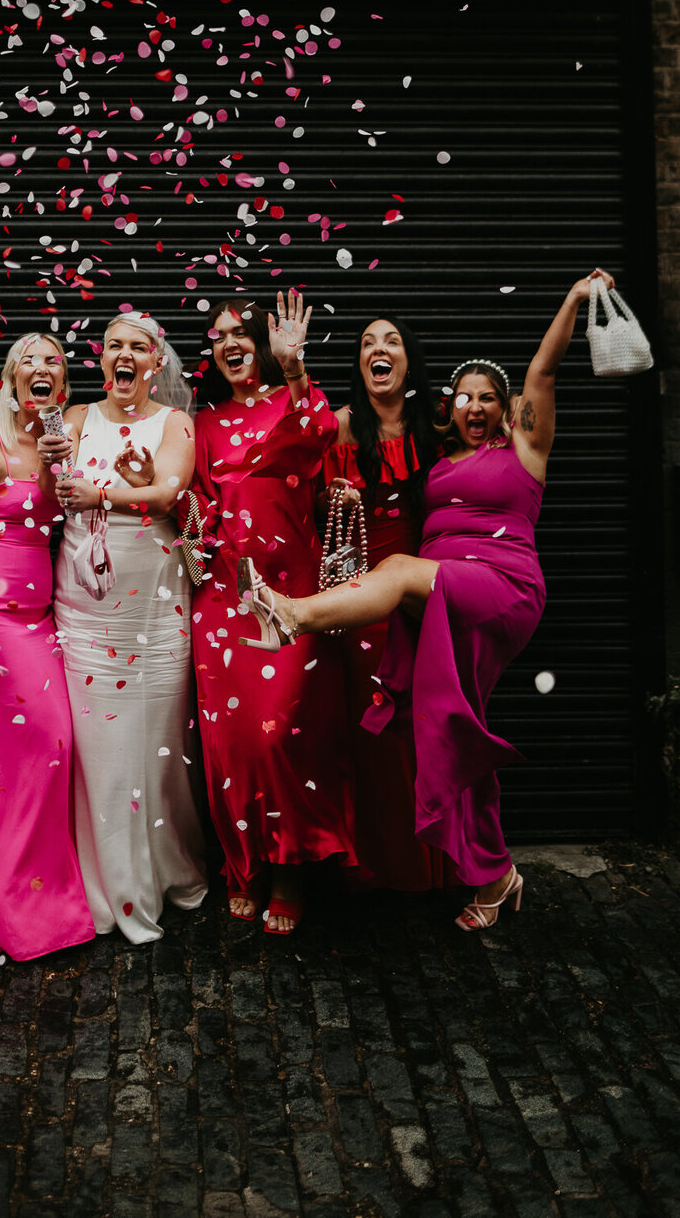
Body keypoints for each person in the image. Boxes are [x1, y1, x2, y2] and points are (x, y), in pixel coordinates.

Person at [238, 270, 617, 932]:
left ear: (506, 407)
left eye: (487, 398)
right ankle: (496, 877)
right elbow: (323, 454)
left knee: (401, 570)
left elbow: (544, 369)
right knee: (449, 732)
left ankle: (291, 614)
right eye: (464, 396)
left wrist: (575, 301)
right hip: (434, 608)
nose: (474, 406)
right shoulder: (437, 454)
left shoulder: (526, 448)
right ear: (450, 405)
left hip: (491, 587)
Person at [190, 292, 356, 935]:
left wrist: (294, 369)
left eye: (240, 332)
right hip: (223, 600)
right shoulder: (201, 425)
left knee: (279, 733)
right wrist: (190, 537)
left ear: (261, 341)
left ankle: (290, 869)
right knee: (229, 743)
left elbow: (320, 433)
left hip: (291, 597)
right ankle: (242, 866)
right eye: (216, 335)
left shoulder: (297, 401)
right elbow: (195, 517)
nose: (228, 342)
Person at [40, 311, 207, 945]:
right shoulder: (77, 421)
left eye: (138, 347)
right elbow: (49, 485)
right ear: (101, 358)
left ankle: (169, 868)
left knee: (159, 747)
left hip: (156, 605)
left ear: (157, 364)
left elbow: (168, 492)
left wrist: (109, 494)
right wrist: (52, 465)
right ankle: (115, 885)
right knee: (102, 751)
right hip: (85, 604)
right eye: (114, 346)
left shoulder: (175, 424)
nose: (125, 354)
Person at [0, 334, 95, 960]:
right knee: (49, 740)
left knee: (51, 753)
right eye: (27, 360)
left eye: (53, 361)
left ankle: (49, 894)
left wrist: (68, 468)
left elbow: (79, 524)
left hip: (44, 618)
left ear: (61, 386)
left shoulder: (58, 444)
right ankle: (11, 902)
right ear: (10, 379)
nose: (41, 368)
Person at [324, 316, 451, 892]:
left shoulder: (437, 426)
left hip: (426, 597)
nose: (379, 350)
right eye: (368, 344)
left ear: (408, 361)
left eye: (392, 341)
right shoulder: (346, 428)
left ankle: (433, 864)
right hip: (364, 603)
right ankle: (382, 867)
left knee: (425, 730)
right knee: (374, 730)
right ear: (359, 365)